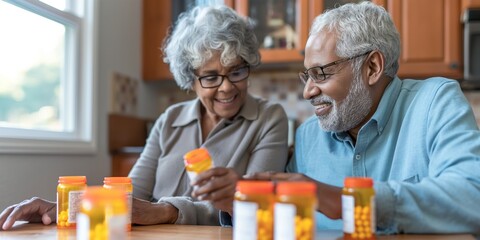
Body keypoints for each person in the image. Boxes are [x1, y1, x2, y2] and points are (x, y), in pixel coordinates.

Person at [0, 5, 289, 230]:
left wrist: (165, 211)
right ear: (191, 80)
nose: (227, 86)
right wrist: (66, 207)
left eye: (236, 71)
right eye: (211, 76)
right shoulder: (169, 119)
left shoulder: (269, 118)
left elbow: (255, 205)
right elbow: (129, 195)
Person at [245, 1, 480, 235]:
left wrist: (348, 202)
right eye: (307, 75)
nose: (308, 91)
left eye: (320, 73)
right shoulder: (308, 137)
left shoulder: (435, 103)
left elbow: (472, 197)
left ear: (372, 68)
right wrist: (240, 202)